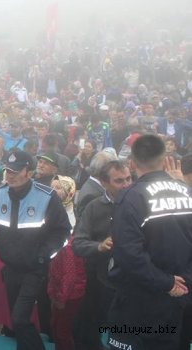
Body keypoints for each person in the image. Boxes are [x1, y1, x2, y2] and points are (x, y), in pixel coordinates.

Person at [107, 134, 192, 349]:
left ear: (132, 163)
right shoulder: (187, 192)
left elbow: (128, 254)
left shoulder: (132, 197)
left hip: (141, 300)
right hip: (181, 297)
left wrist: (167, 282)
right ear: (165, 160)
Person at [0, 150, 70, 350]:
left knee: (19, 318)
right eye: (7, 170)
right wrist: (1, 249)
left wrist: (44, 256)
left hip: (34, 269)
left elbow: (62, 232)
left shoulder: (46, 197)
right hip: (10, 269)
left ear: (29, 171)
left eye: (16, 170)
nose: (10, 174)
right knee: (15, 319)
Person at [72, 160, 132, 349]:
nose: (126, 185)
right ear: (104, 183)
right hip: (99, 282)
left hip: (132, 283)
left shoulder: (140, 203)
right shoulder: (94, 207)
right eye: (119, 181)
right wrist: (99, 246)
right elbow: (78, 244)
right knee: (93, 329)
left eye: (129, 179)